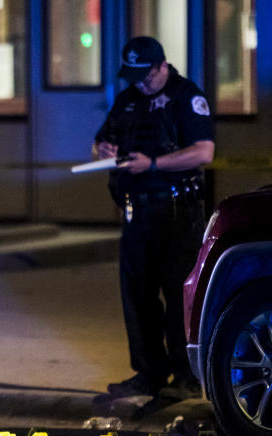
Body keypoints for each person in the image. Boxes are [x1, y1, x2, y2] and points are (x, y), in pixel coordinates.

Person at [93, 36, 215, 400]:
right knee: (138, 298)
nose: (141, 83)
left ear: (162, 66)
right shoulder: (128, 100)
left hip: (178, 213)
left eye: (146, 75)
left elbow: (203, 152)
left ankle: (186, 375)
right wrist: (103, 149)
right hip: (137, 213)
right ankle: (149, 373)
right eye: (134, 76)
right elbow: (101, 140)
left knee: (179, 296)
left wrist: (155, 164)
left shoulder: (186, 96)